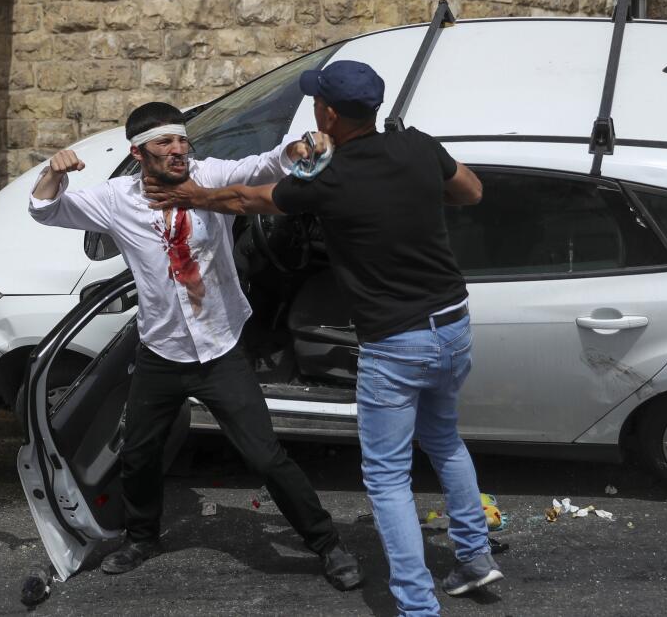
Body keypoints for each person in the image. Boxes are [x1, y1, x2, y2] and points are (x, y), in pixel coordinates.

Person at [143, 62, 496, 616]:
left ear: (328, 113)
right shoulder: (420, 147)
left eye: (316, 104)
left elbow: (247, 200)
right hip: (452, 325)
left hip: (395, 341)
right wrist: (419, 194)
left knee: (386, 478)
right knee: (446, 441)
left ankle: (417, 605)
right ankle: (475, 558)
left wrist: (191, 196)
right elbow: (471, 192)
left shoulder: (330, 178)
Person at [29, 101, 364, 590]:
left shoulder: (210, 177)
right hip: (160, 353)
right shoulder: (116, 198)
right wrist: (52, 172)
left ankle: (328, 545)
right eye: (165, 142)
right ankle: (142, 538)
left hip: (220, 351)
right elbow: (44, 209)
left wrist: (299, 149)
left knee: (265, 456)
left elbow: (268, 164)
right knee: (139, 454)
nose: (179, 149)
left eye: (183, 140)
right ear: (139, 152)